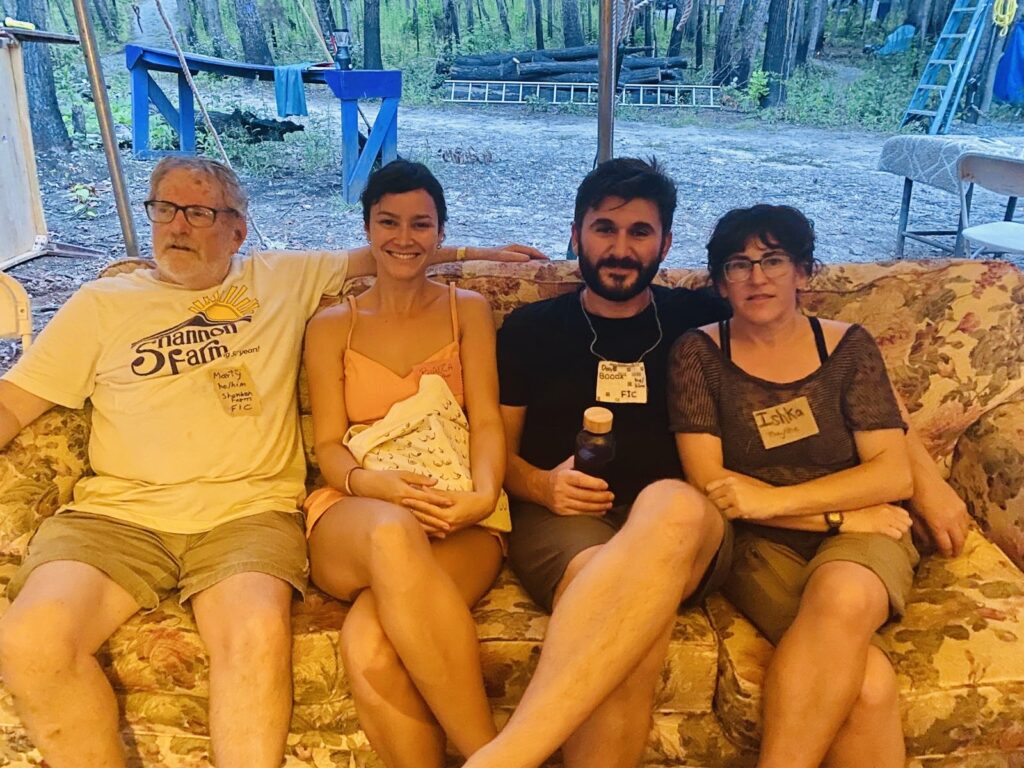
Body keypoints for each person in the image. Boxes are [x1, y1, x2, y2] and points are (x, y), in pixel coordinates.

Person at [0, 155, 541, 768]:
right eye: (165, 208)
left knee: (256, 639)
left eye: (199, 212)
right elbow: (13, 405)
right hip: (117, 516)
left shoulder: (279, 279)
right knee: (29, 642)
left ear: (237, 230)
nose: (178, 225)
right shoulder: (100, 303)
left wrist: (481, 253)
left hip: (247, 514)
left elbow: (392, 254)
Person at [668, 204, 967, 768]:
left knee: (845, 595)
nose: (757, 277)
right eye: (738, 265)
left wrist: (776, 500)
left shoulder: (848, 347)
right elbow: (711, 485)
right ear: (721, 284)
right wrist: (836, 515)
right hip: (763, 541)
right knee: (868, 684)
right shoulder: (698, 354)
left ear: (803, 272)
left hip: (866, 530)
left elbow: (892, 472)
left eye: (774, 260)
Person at [464, 157, 733, 768]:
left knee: (670, 503)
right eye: (604, 228)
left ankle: (508, 757)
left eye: (640, 232)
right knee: (625, 621)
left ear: (666, 242)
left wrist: (922, 483)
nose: (620, 248)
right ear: (576, 234)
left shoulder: (700, 320)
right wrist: (541, 484)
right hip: (563, 522)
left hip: (683, 526)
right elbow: (495, 449)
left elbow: (821, 354)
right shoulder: (532, 329)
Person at [302, 160, 508, 767]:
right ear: (367, 228)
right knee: (391, 532)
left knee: (370, 646)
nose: (404, 237)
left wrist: (484, 496)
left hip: (455, 508)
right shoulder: (331, 326)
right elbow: (328, 445)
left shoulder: (467, 310)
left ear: (441, 232)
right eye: (388, 221)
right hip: (358, 507)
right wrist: (375, 485)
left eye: (421, 224)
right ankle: (495, 758)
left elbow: (487, 420)